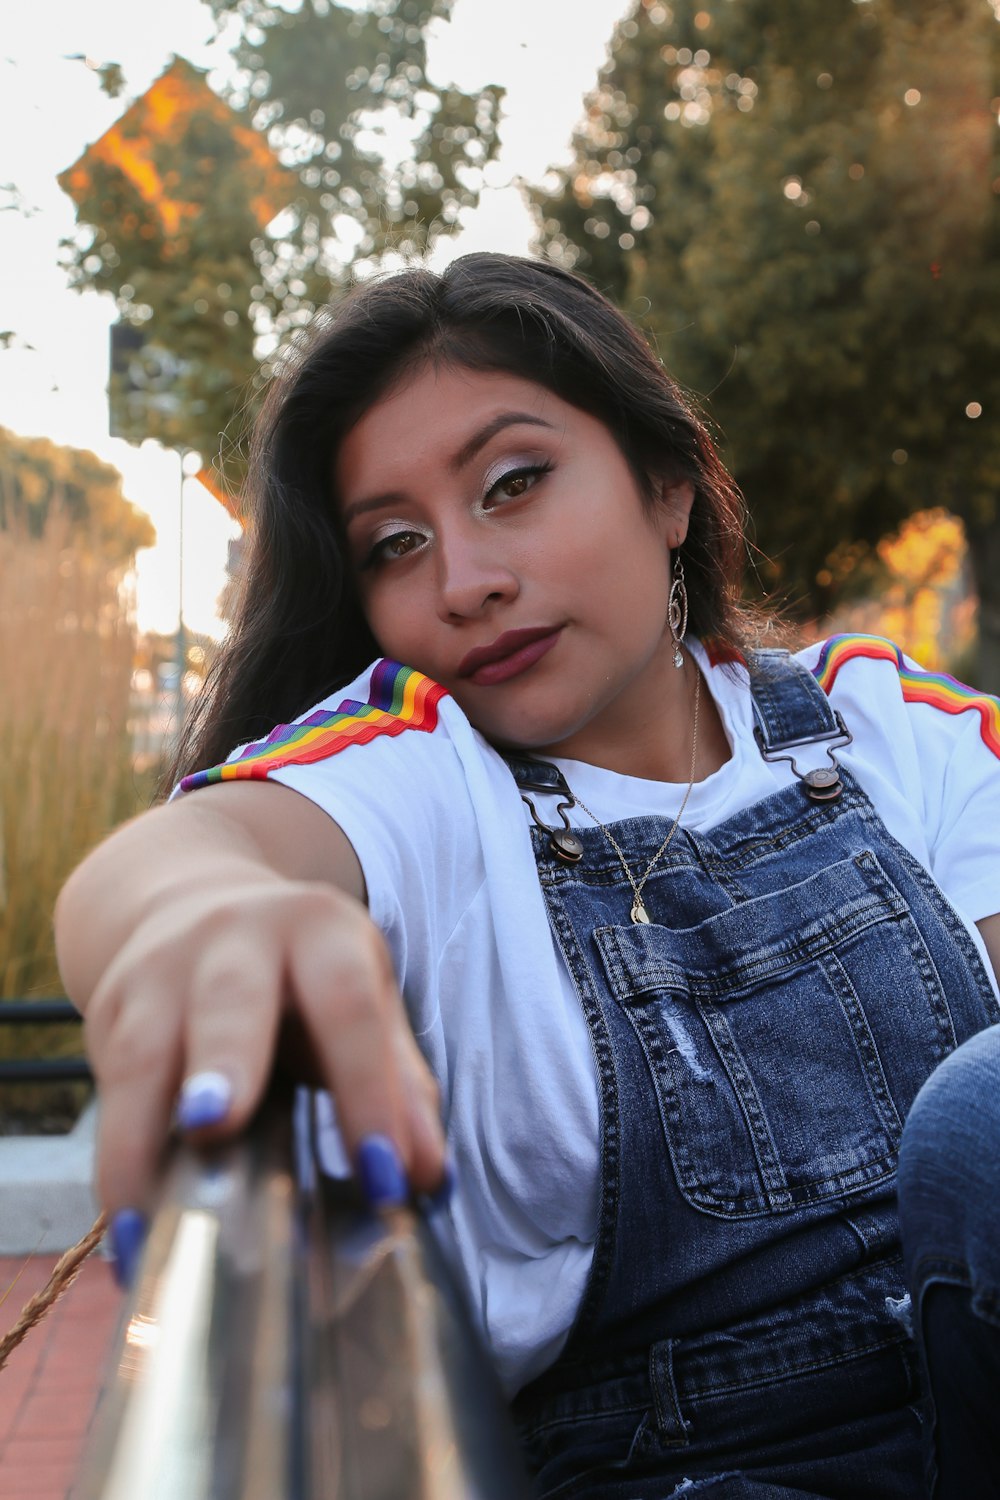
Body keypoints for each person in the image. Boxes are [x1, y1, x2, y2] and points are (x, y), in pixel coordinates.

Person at [55, 253, 1000, 1498]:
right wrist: (213, 923)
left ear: (667, 488)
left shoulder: (880, 720)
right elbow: (193, 856)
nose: (464, 581)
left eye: (514, 483)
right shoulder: (428, 775)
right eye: (395, 545)